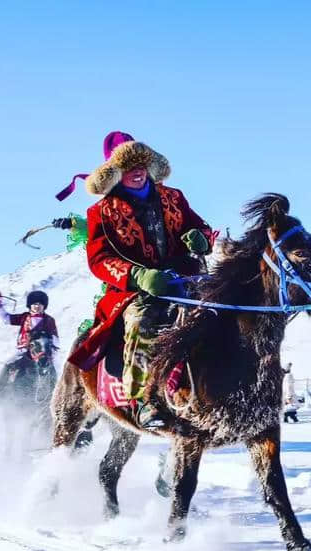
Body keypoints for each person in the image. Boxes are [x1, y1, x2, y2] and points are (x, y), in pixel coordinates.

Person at [54, 132, 214, 428]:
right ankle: (144, 399)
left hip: (185, 277)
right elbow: (99, 260)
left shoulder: (174, 197)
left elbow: (201, 227)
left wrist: (201, 239)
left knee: (225, 309)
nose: (137, 171)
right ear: (114, 173)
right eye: (128, 166)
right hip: (134, 290)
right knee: (142, 321)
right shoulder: (101, 212)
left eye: (142, 163)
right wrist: (138, 275)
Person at [0, 290, 59, 389]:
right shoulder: (24, 317)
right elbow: (6, 318)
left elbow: (55, 338)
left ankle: (53, 397)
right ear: (30, 305)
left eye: (40, 304)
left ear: (44, 306)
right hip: (23, 350)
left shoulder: (49, 320)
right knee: (7, 366)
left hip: (42, 353)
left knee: (54, 374)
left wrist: (51, 350)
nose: (37, 306)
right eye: (35, 303)